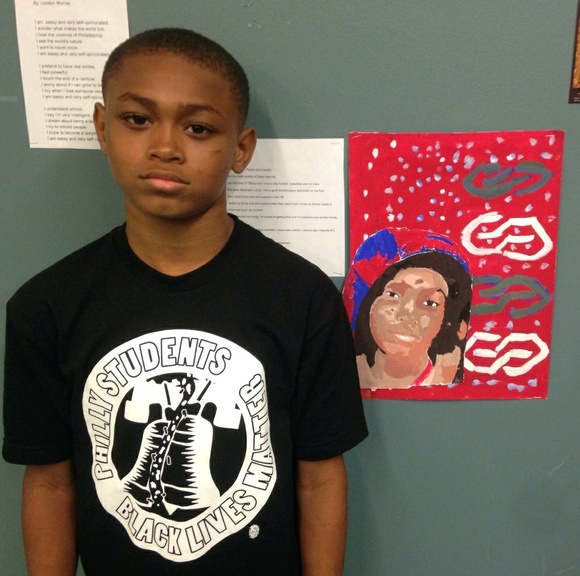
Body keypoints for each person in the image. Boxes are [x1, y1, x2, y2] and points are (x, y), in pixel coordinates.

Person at [2, 28, 367, 576]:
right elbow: (50, 481)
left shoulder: (302, 298)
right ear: (102, 128)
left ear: (241, 149)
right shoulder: (46, 307)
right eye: (137, 119)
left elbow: (319, 477)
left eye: (198, 128)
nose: (166, 147)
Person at [343, 228, 472, 390]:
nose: (405, 313)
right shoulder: (343, 372)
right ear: (370, 304)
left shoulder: (445, 375)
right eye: (393, 294)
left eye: (429, 303)